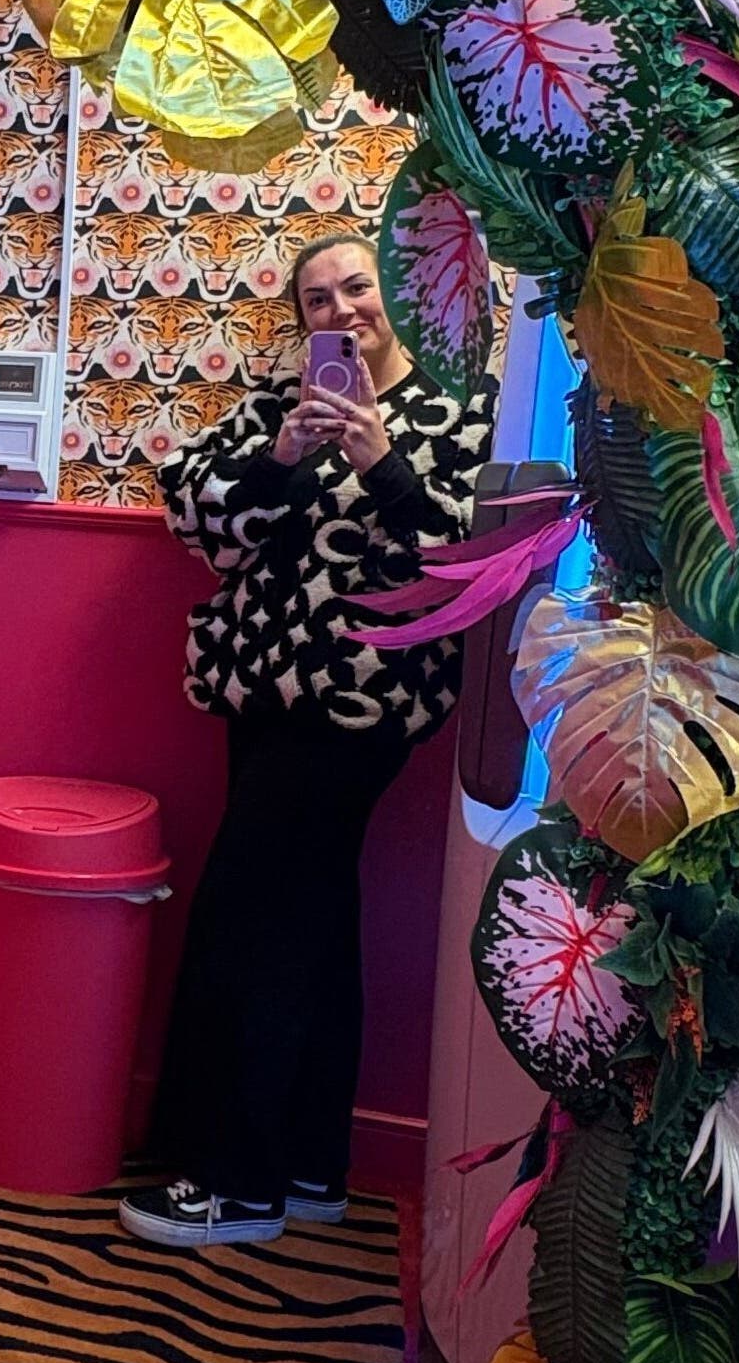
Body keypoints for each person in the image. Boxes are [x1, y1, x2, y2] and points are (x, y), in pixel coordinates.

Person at [123, 232, 498, 1248]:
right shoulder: (270, 415)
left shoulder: (459, 413)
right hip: (258, 695)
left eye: (356, 287)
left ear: (394, 295)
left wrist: (382, 463)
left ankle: (235, 1181)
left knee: (255, 917)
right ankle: (308, 1167)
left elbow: (467, 559)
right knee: (314, 923)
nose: (340, 312)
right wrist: (287, 455)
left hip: (362, 707)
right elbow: (197, 522)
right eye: (317, 300)